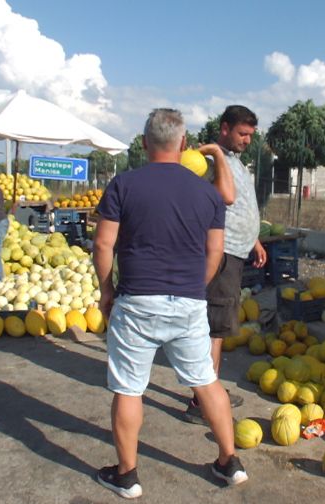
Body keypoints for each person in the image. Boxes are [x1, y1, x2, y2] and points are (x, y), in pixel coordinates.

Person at [93, 108, 247, 499]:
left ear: (144, 143)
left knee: (129, 388)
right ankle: (229, 462)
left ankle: (127, 476)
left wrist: (106, 290)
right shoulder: (207, 193)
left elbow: (103, 244)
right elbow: (216, 250)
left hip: (137, 302)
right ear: (182, 144)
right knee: (207, 382)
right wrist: (197, 285)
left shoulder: (123, 185)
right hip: (189, 302)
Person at [184, 105, 267, 424]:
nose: (248, 140)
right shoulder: (206, 161)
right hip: (222, 252)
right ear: (224, 128)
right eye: (242, 134)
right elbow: (221, 199)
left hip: (237, 250)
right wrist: (215, 154)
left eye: (251, 135)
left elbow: (239, 205)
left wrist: (254, 239)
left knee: (216, 328)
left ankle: (209, 392)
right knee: (214, 329)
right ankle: (202, 401)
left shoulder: (232, 160)